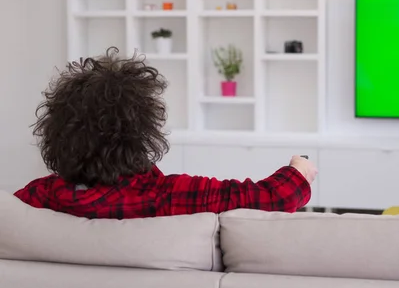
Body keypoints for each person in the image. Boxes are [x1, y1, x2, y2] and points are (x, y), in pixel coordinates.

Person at [13, 47, 317, 219]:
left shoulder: (37, 197)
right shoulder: (171, 197)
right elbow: (275, 197)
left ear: (56, 132)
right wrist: (299, 169)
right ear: (143, 130)